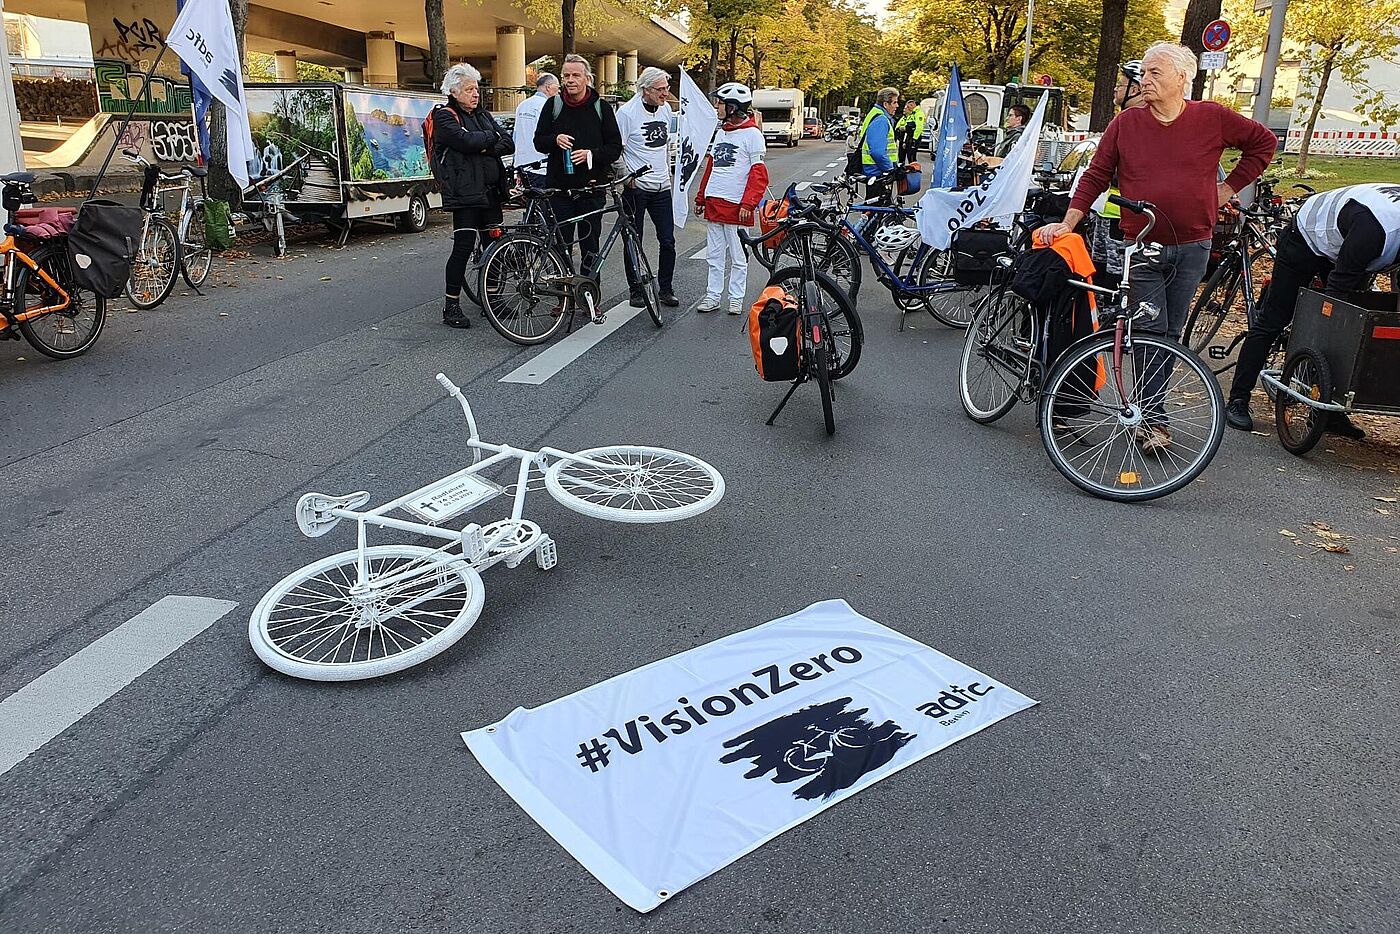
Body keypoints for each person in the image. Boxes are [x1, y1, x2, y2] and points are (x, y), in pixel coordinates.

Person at [1035, 41, 1276, 452]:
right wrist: (1068, 221)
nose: (1143, 81)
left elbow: (1263, 144)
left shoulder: (1212, 117)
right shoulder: (1126, 124)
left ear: (1183, 78)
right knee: (1149, 330)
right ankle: (1152, 420)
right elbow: (1095, 176)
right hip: (1142, 244)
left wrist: (1228, 188)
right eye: (1143, 73)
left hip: (1194, 244)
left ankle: (1152, 413)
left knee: (1170, 330)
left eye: (1153, 73)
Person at [1224, 183, 1400, 435]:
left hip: (1348, 241)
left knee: (1352, 325)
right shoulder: (1375, 231)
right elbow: (1337, 290)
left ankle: (1328, 411)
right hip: (1306, 237)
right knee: (1276, 318)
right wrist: (1326, 326)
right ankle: (1238, 399)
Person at [433, 63, 514, 329]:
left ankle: (492, 299)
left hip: (490, 192)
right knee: (463, 246)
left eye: (476, 89)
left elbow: (507, 142)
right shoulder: (444, 116)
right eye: (469, 90)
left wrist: (483, 143)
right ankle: (451, 304)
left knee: (495, 246)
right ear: (454, 92)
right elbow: (464, 142)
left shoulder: (482, 115)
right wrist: (488, 140)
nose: (475, 94)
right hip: (465, 193)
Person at [534, 54, 623, 275]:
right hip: (559, 190)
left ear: (587, 79)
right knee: (560, 246)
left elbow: (614, 147)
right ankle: (562, 301)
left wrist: (590, 155)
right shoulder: (552, 106)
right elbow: (538, 141)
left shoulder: (601, 108)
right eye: (566, 75)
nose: (570, 80)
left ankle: (590, 298)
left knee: (590, 246)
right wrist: (554, 140)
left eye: (575, 75)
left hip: (591, 189)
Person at [694, 82, 767, 315]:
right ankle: (713, 295)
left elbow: (759, 174)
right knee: (714, 254)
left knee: (737, 255)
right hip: (715, 201)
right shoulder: (722, 132)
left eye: (721, 103)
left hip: (737, 205)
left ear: (733, 107)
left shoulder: (753, 135)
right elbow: (712, 167)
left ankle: (736, 297)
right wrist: (701, 197)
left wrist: (749, 203)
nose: (717, 107)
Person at [615, 66, 680, 308]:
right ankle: (636, 289)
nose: (665, 94)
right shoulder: (627, 113)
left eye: (667, 88)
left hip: (662, 186)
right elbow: (616, 149)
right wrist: (625, 176)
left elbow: (664, 148)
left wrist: (669, 174)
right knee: (634, 239)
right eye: (660, 89)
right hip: (637, 187)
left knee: (668, 240)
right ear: (645, 90)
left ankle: (666, 288)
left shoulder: (665, 110)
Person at [512, 72, 559, 188]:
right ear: (549, 87)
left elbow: (516, 135)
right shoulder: (547, 106)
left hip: (523, 163)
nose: (559, 91)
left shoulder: (522, 105)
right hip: (541, 165)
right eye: (558, 87)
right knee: (544, 202)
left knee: (531, 201)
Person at [857, 87, 900, 191]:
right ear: (886, 104)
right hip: (877, 171)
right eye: (894, 103)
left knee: (875, 205)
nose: (897, 106)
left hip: (874, 170)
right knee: (878, 205)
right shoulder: (881, 120)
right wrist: (890, 169)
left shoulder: (874, 114)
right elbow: (877, 152)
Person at [895, 100, 925, 165]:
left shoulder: (918, 113)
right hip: (906, 137)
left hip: (913, 137)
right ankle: (902, 171)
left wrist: (914, 139)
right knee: (902, 155)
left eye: (908, 107)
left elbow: (919, 127)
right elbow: (899, 126)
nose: (907, 109)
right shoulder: (910, 114)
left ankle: (913, 173)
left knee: (911, 157)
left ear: (912, 105)